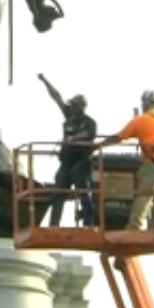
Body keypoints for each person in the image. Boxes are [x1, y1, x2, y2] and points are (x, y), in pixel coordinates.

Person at [100, 91, 154, 230]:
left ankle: (134, 227)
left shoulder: (141, 119)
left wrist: (98, 146)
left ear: (144, 104)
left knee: (145, 194)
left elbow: (119, 137)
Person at [37, 73, 99, 227]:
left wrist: (73, 139)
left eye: (75, 105)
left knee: (85, 195)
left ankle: (88, 225)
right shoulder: (69, 116)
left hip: (81, 164)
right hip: (66, 164)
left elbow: (89, 134)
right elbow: (56, 97)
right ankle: (53, 226)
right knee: (58, 195)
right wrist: (45, 81)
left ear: (81, 106)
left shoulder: (89, 122)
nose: (71, 106)